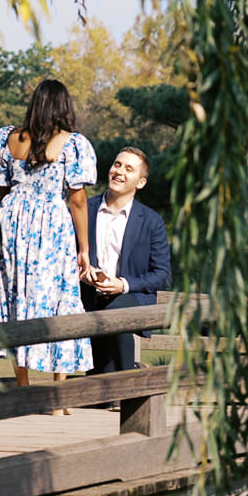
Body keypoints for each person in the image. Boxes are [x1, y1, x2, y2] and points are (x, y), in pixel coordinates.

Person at [0, 78, 97, 397]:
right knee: (61, 298)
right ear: (64, 107)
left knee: (15, 297)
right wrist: (84, 248)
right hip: (51, 222)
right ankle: (58, 395)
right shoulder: (71, 143)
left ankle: (22, 387)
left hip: (11, 222)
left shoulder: (8, 139)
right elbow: (77, 200)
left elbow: (1, 190)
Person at [81, 146, 172, 371]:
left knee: (117, 312)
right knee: (100, 387)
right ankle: (131, 371)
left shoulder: (151, 221)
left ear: (140, 182)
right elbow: (64, 257)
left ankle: (130, 383)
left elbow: (163, 275)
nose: (119, 171)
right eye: (117, 164)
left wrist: (123, 284)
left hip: (131, 297)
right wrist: (82, 272)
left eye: (129, 169)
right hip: (89, 298)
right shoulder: (84, 210)